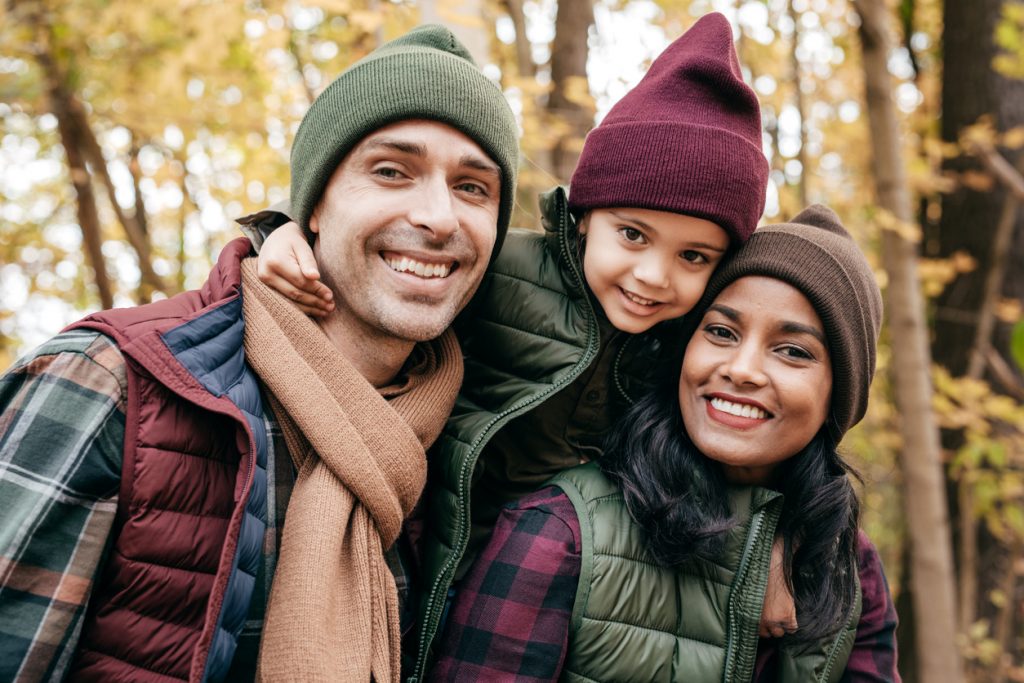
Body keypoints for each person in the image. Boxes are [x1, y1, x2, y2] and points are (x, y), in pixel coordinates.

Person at [241, 14, 776, 679]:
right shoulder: (504, 274)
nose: (652, 275)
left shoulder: (686, 345)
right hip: (425, 571)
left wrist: (778, 541)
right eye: (633, 235)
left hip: (552, 606)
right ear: (582, 218)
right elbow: (386, 259)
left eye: (693, 255)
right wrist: (282, 234)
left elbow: (758, 442)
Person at [0, 26, 518, 683]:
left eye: (474, 188)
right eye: (392, 171)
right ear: (314, 208)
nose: (439, 217)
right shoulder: (113, 380)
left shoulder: (473, 437)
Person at [432, 205, 899, 682]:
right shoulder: (560, 533)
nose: (741, 369)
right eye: (721, 331)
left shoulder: (848, 566)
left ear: (839, 395)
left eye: (793, 351)